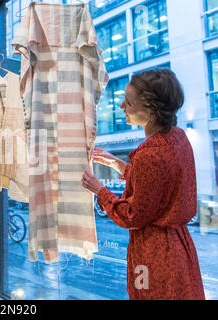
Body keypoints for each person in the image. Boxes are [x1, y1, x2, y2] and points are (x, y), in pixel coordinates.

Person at [81, 69, 205, 300]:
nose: (121, 106)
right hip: (179, 246)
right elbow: (158, 185)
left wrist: (100, 191)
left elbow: (132, 215)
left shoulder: (150, 154)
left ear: (151, 111)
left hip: (154, 253)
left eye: (128, 102)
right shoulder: (177, 137)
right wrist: (118, 164)